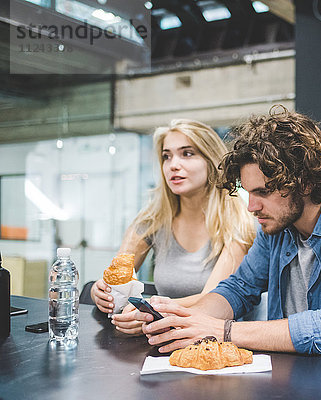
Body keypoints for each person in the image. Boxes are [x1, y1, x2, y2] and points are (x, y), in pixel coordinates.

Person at [136, 107, 321, 354]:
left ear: (303, 183)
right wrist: (183, 321)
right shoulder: (277, 228)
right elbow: (239, 289)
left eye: (263, 192)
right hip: (296, 377)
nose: (251, 207)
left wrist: (223, 331)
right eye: (248, 192)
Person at [90, 119, 256, 334]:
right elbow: (117, 277)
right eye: (166, 156)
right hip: (163, 337)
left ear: (211, 160)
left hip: (220, 342)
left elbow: (216, 298)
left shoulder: (239, 221)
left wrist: (152, 311)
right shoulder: (152, 220)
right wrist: (100, 291)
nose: (173, 165)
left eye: (187, 154)